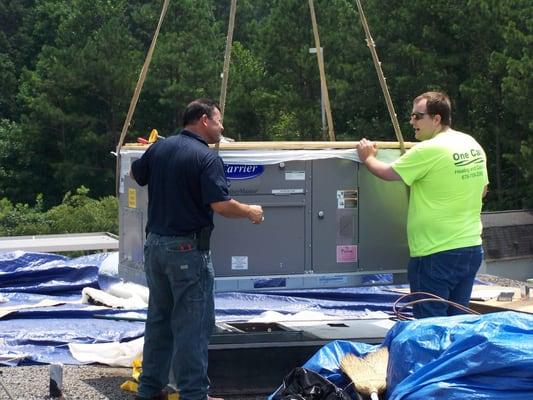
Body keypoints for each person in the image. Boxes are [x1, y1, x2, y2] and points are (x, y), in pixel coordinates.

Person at [130, 98, 264, 400]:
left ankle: (149, 389)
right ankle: (194, 394)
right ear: (204, 120)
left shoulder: (160, 148)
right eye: (219, 120)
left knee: (159, 320)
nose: (222, 126)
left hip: (155, 247)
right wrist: (250, 211)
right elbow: (221, 205)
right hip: (187, 250)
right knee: (193, 324)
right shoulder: (206, 157)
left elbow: (135, 175)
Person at [356, 91, 488, 318]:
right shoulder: (470, 144)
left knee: (430, 327)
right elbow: (483, 190)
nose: (412, 121)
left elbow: (388, 173)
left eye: (418, 116)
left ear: (436, 119)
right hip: (470, 248)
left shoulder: (429, 150)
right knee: (456, 323)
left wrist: (367, 157)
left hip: (436, 253)